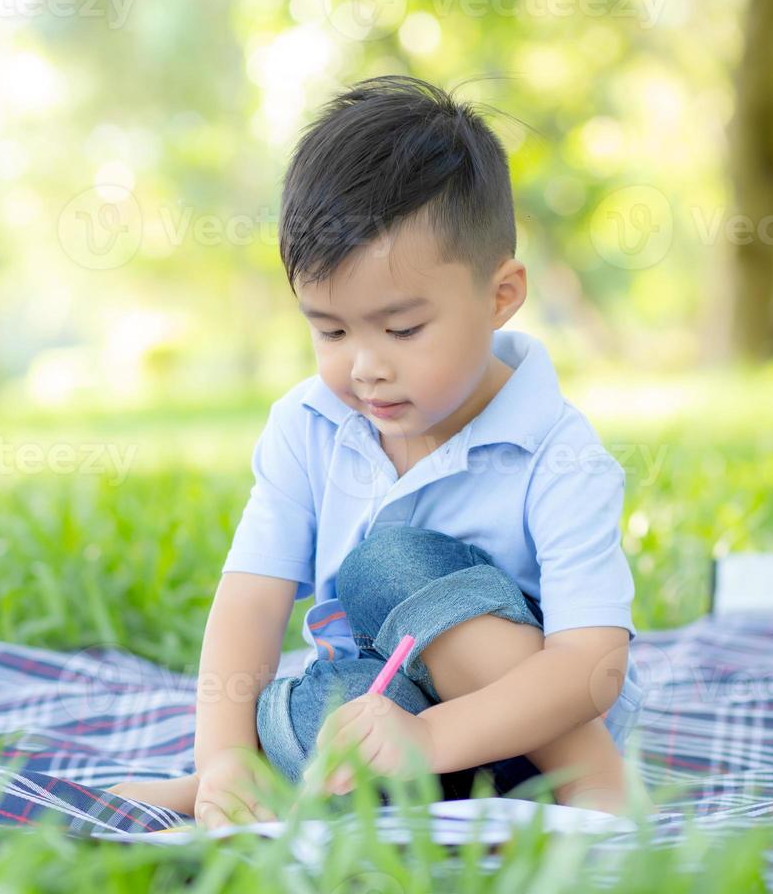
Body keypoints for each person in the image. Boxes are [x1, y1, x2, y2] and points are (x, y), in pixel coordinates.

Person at [107, 76, 650, 829]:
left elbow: (590, 667)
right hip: (393, 718)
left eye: (400, 330)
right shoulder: (309, 424)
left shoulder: (559, 450)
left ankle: (599, 793)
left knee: (386, 568)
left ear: (501, 295)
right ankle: (258, 784)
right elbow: (251, 603)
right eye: (331, 331)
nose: (365, 366)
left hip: (536, 728)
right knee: (317, 709)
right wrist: (222, 757)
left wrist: (431, 737)